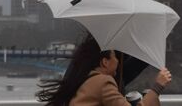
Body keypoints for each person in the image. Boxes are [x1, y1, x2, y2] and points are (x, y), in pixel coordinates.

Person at [37, 34, 172, 106]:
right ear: (105, 62)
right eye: (115, 57)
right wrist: (158, 86)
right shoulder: (103, 81)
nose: (118, 61)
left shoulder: (85, 77)